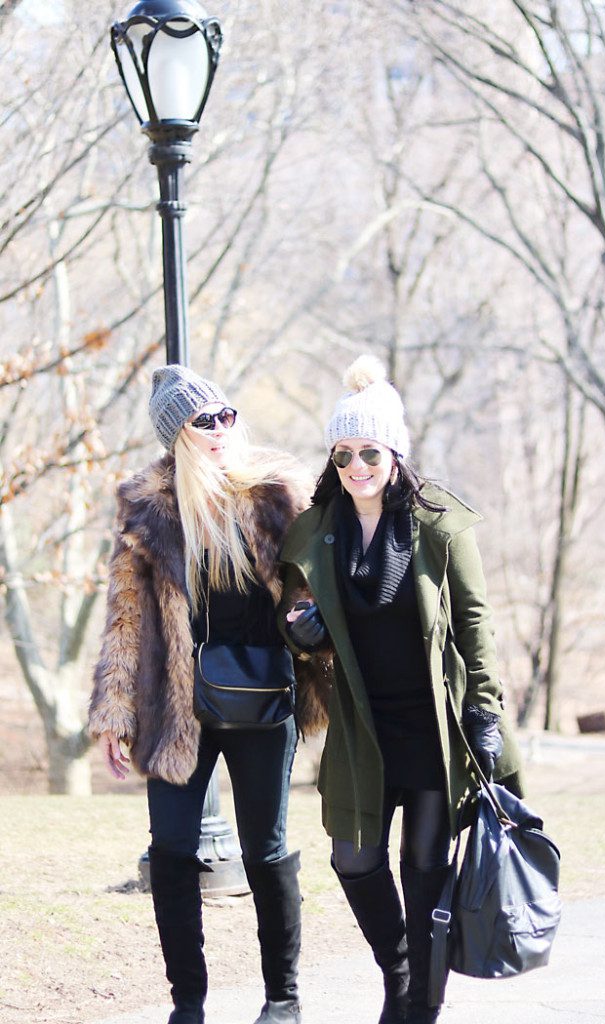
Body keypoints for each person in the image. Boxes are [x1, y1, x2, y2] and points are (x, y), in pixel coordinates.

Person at [278, 355, 523, 1024]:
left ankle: (418, 1005)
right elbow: (303, 628)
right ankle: (400, 970)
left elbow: (474, 621)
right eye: (343, 452)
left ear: (393, 451)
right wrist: (301, 631)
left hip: (434, 723)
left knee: (424, 869)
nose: (356, 464)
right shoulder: (316, 530)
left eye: (368, 450)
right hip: (363, 726)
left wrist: (484, 711)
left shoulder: (435, 522)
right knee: (352, 857)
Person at [89, 364, 326, 1024]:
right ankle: (187, 1005)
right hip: (176, 709)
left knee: (266, 851)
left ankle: (282, 999)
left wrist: (316, 631)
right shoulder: (148, 509)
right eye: (204, 420)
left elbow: (317, 588)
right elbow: (126, 614)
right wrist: (114, 713)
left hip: (264, 699)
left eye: (226, 414)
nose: (222, 428)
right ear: (178, 435)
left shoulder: (278, 496)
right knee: (170, 852)